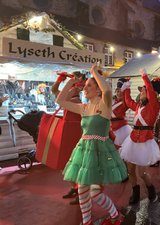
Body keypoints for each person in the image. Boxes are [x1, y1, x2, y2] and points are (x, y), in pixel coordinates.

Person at [57, 65, 127, 225]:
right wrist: (71, 82)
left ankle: (115, 215)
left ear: (97, 89)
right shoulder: (83, 108)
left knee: (95, 193)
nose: (85, 88)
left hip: (100, 153)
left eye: (89, 85)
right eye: (85, 85)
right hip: (84, 151)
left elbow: (108, 91)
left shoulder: (104, 105)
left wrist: (94, 73)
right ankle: (87, 222)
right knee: (81, 190)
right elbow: (60, 100)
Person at [120, 69, 160, 204]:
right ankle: (135, 193)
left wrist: (144, 76)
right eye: (141, 91)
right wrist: (126, 85)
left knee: (142, 173)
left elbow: (149, 88)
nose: (141, 92)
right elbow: (127, 100)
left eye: (143, 91)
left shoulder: (154, 105)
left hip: (145, 141)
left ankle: (151, 189)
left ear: (151, 94)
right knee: (130, 170)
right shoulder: (138, 106)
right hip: (133, 139)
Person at [51, 71, 84, 205]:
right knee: (63, 163)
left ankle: (80, 191)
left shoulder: (76, 91)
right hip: (66, 130)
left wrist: (72, 83)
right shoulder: (70, 90)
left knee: (76, 164)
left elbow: (59, 97)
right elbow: (54, 90)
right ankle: (74, 187)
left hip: (76, 131)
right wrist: (60, 79)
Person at [111, 78, 132, 148]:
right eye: (117, 91)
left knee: (120, 148)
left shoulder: (125, 103)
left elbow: (129, 101)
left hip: (121, 128)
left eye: (120, 91)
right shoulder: (112, 101)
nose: (118, 93)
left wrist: (127, 89)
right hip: (111, 128)